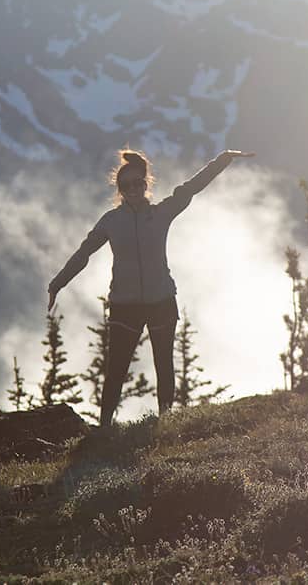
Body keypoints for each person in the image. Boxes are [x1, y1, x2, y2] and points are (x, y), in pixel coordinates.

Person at [48, 148, 255, 426]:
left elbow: (191, 187)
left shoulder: (161, 212)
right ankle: (104, 429)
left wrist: (224, 159)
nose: (133, 189)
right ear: (120, 189)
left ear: (146, 184)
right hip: (125, 305)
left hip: (161, 301)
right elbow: (84, 254)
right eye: (126, 185)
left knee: (164, 366)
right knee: (116, 369)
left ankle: (165, 423)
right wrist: (57, 283)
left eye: (138, 183)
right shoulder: (111, 221)